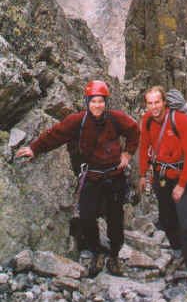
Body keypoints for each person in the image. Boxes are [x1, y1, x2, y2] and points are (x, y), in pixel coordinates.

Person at [16, 80, 140, 276]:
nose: (97, 105)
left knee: (116, 220)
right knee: (86, 217)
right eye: (93, 101)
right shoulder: (78, 121)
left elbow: (134, 130)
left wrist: (128, 153)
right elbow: (55, 134)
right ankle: (97, 252)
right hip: (92, 176)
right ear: (87, 102)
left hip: (115, 176)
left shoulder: (116, 119)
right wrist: (34, 148)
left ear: (106, 102)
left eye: (101, 101)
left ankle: (114, 256)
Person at [139, 86, 187, 286]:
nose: (154, 107)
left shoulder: (181, 121)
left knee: (186, 225)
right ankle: (176, 249)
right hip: (161, 177)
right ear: (146, 105)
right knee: (166, 219)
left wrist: (182, 185)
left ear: (164, 102)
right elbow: (144, 147)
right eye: (150, 103)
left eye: (157, 102)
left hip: (183, 176)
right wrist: (142, 174)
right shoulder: (147, 121)